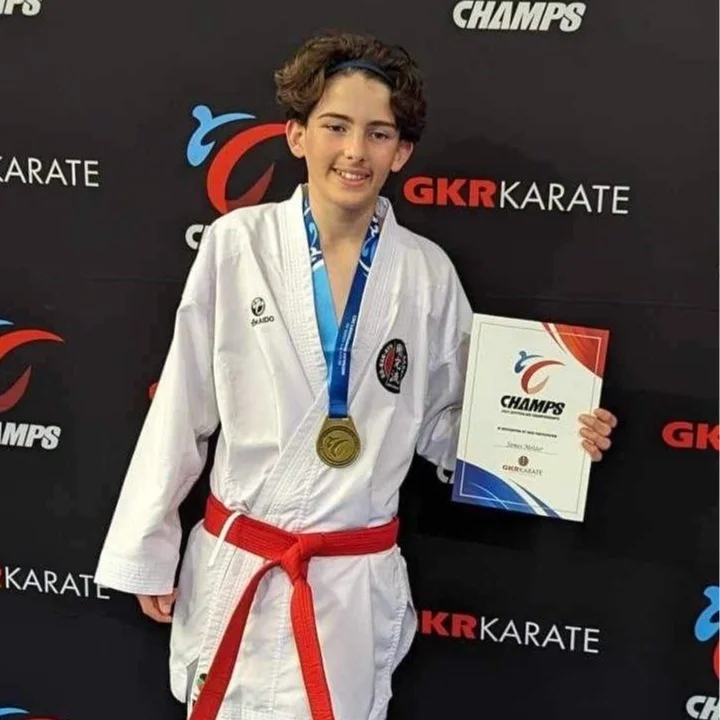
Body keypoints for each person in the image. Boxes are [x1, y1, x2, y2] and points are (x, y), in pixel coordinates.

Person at [94, 31, 618, 720]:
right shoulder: (237, 244)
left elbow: (450, 422)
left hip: (349, 581)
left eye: (378, 133)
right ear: (297, 135)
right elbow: (182, 405)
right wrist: (148, 546)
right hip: (243, 560)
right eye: (335, 126)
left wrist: (557, 437)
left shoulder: (426, 273)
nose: (355, 151)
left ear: (401, 153)